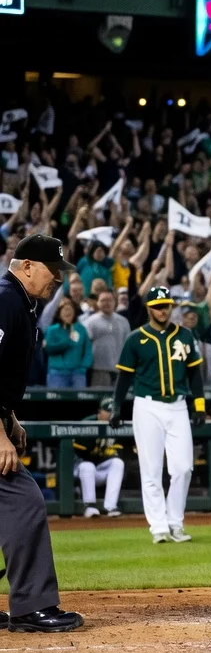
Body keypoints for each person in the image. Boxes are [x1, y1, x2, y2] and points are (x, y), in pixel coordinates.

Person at [0, 234, 85, 632]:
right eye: (53, 270)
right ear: (27, 266)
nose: (59, 279)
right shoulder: (6, 299)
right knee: (25, 502)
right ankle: (32, 607)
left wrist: (9, 416)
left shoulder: (18, 300)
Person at [110, 286, 205, 544]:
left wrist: (199, 406)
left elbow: (195, 374)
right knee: (151, 469)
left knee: (183, 468)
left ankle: (175, 522)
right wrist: (116, 406)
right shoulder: (136, 338)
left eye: (166, 306)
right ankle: (159, 526)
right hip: (147, 406)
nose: (163, 310)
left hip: (178, 406)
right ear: (149, 308)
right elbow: (124, 377)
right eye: (158, 306)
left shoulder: (184, 335)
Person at [73, 396, 125, 518]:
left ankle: (111, 506)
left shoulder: (117, 425)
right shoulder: (87, 424)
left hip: (100, 470)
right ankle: (89, 506)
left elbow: (118, 451)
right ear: (99, 412)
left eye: (113, 412)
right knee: (88, 466)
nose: (110, 415)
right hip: (79, 470)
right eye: (108, 411)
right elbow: (78, 453)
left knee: (118, 463)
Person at [81, 290, 130, 387]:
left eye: (109, 300)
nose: (106, 303)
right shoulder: (90, 322)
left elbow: (128, 345)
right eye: (103, 300)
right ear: (97, 302)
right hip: (98, 370)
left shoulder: (123, 321)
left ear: (115, 302)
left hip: (119, 370)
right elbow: (83, 345)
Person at [43, 297, 92, 388]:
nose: (67, 312)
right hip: (57, 373)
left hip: (78, 373)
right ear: (59, 313)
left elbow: (88, 350)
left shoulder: (81, 329)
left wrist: (83, 367)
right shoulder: (52, 330)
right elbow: (48, 349)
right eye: (65, 309)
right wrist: (67, 341)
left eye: (70, 309)